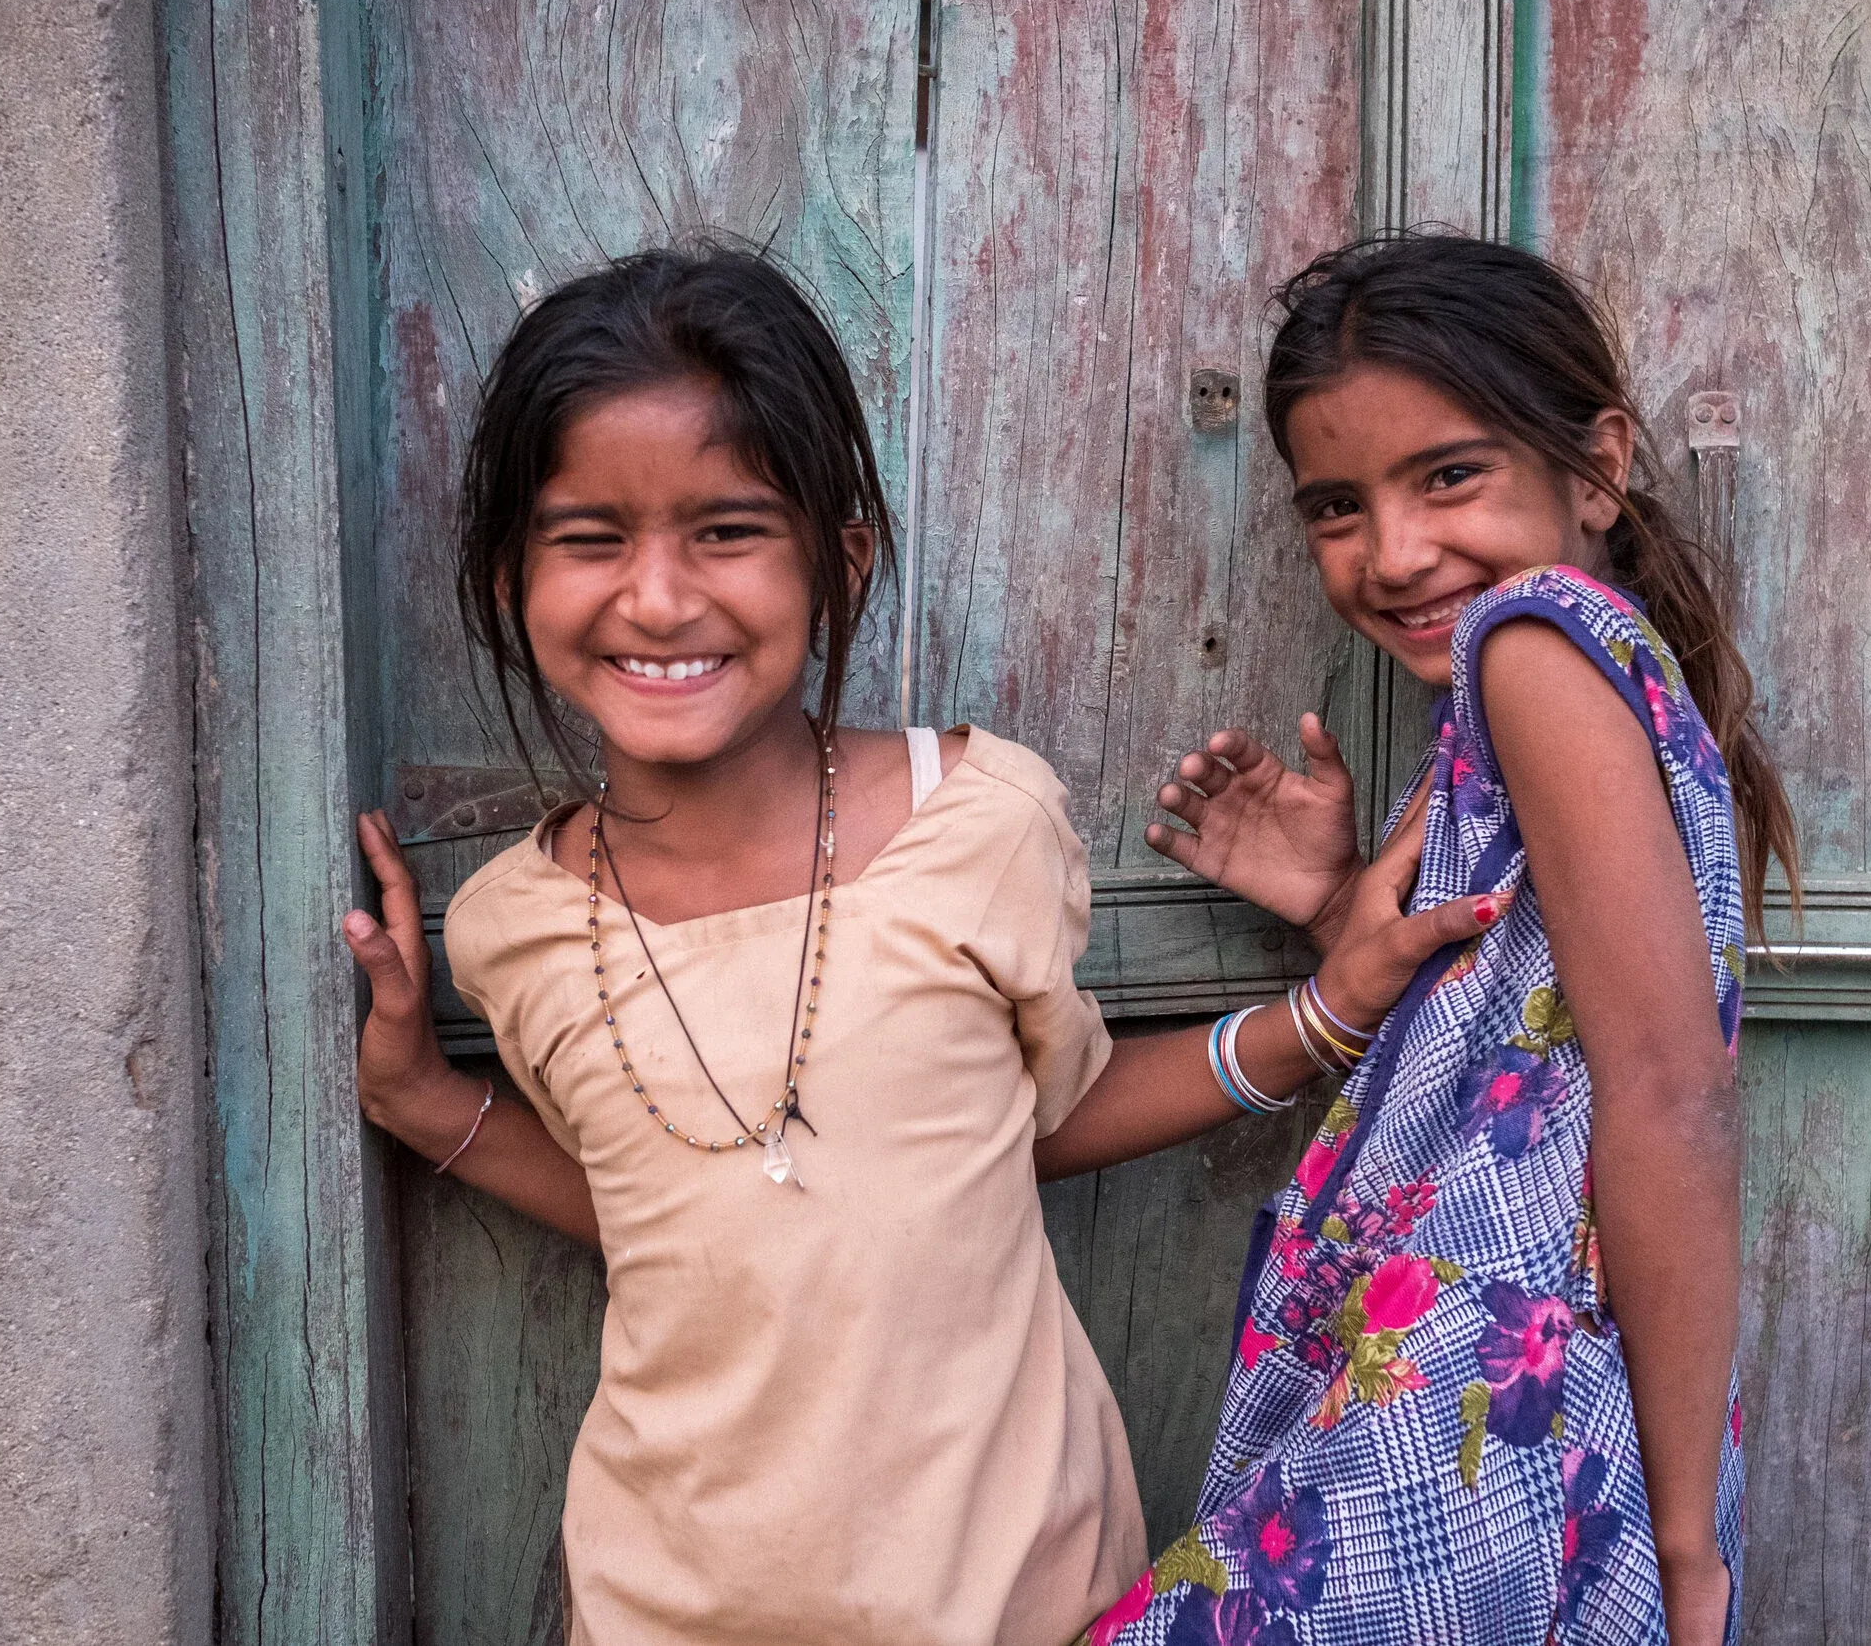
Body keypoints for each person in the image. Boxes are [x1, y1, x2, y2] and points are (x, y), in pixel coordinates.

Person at [337, 240, 1503, 1646]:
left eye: (727, 529)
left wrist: (1328, 1010)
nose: (657, 598)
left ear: (841, 557)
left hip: (1009, 1592)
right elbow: (661, 1203)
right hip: (671, 1604)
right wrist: (428, 1101)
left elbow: (1032, 1119)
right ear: (513, 571)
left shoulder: (979, 823)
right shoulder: (518, 928)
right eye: (590, 538)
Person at [1104, 232, 1801, 1646]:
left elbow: (1673, 1093)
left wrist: (1687, 1554)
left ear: (1597, 464)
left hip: (1472, 1425)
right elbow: (1528, 1007)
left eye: (1450, 476)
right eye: (1337, 506)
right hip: (1508, 1415)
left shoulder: (1530, 643)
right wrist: (1340, 902)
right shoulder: (1571, 669)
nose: (1395, 551)